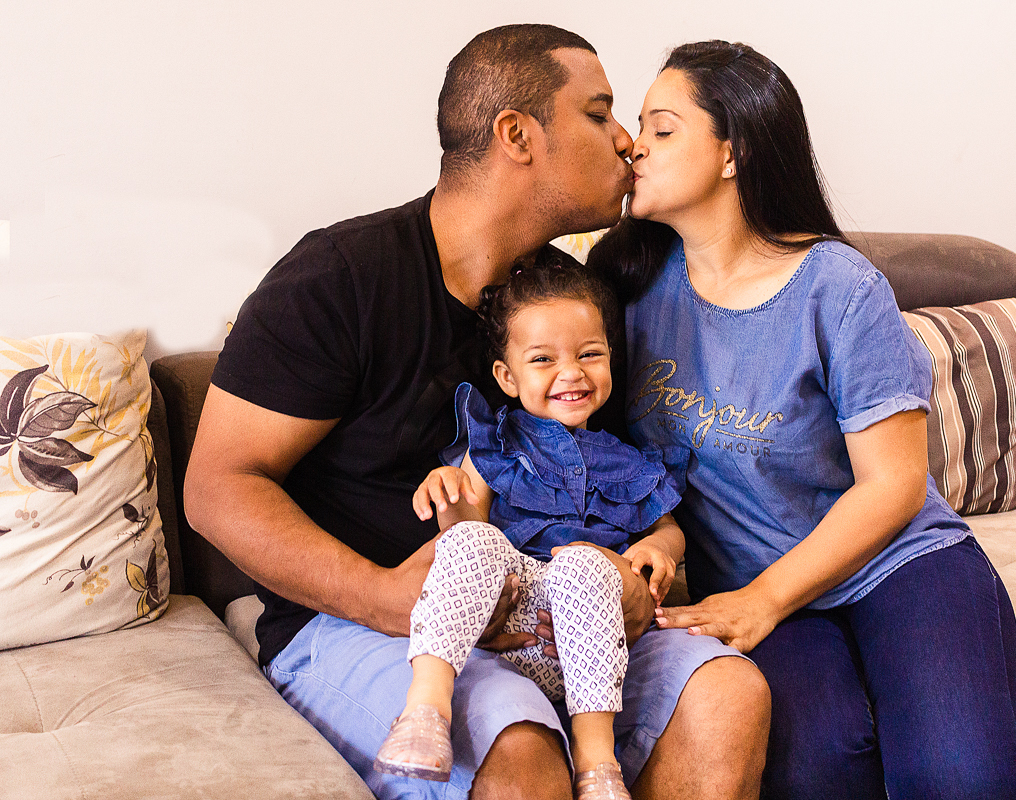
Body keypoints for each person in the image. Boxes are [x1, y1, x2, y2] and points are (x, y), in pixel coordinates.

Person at [184, 24, 769, 800]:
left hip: (554, 605)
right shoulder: (339, 279)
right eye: (599, 113)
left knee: (728, 696)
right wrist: (381, 596)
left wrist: (637, 578)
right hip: (367, 622)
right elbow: (216, 488)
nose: (627, 139)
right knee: (518, 748)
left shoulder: (570, 302)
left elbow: (614, 477)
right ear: (518, 135)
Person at [589, 40, 1016, 799]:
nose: (635, 145)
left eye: (662, 129)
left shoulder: (839, 286)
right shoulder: (626, 285)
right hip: (751, 582)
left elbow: (894, 485)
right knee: (819, 765)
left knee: (960, 777)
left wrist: (763, 601)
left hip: (898, 565)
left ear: (732, 153)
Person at [376, 261, 706, 800]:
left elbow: (669, 528)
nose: (571, 372)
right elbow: (467, 534)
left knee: (583, 559)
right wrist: (449, 496)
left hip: (590, 630)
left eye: (589, 354)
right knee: (471, 542)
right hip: (508, 620)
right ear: (507, 376)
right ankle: (425, 712)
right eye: (543, 359)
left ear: (610, 361)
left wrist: (657, 549)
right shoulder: (494, 446)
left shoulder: (628, 460)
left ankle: (598, 766)